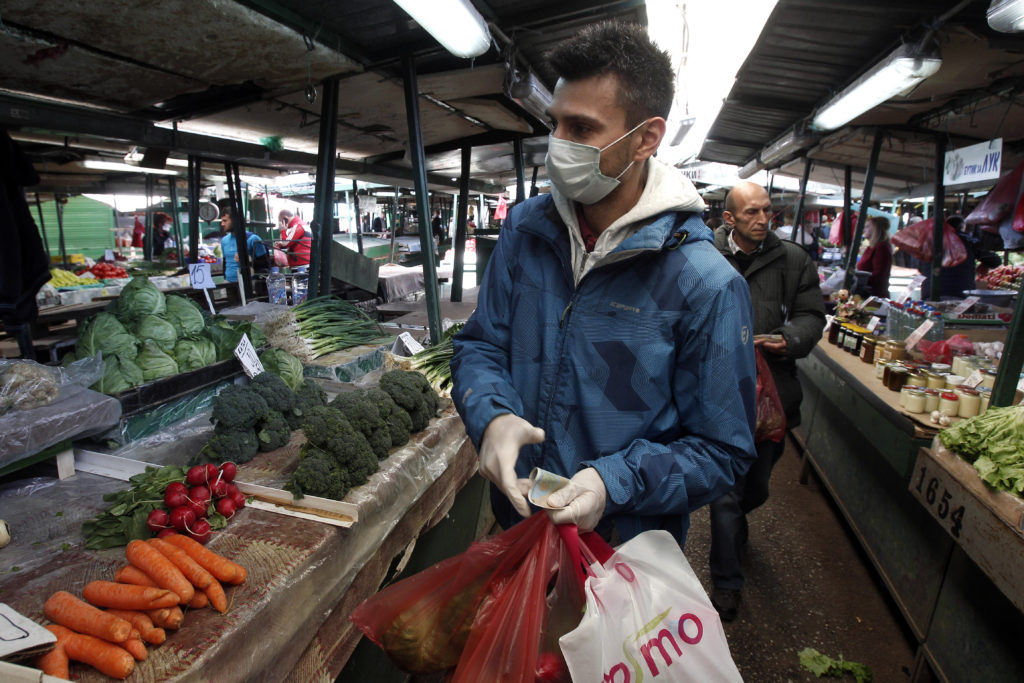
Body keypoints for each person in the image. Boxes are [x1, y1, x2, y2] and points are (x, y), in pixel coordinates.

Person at [450, 22, 756, 547]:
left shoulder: (706, 283)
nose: (558, 145)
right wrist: (492, 415)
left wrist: (610, 484)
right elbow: (481, 344)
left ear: (645, 138)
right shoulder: (525, 231)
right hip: (520, 524)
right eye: (555, 124)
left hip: (621, 550)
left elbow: (721, 450)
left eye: (582, 129)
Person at [707, 181, 826, 621]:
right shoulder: (705, 253)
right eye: (752, 213)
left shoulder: (792, 259)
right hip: (718, 389)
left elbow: (813, 314)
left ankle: (736, 525)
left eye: (767, 211)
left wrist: (789, 339)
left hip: (772, 393)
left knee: (755, 488)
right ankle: (726, 583)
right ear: (730, 219)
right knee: (727, 493)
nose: (762, 219)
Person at [922, 214, 1001, 299]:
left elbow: (921, 267)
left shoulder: (931, 243)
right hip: (959, 293)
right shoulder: (968, 241)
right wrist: (985, 264)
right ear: (962, 228)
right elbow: (995, 260)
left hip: (931, 293)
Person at [219, 209, 269, 283]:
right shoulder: (224, 240)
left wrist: (247, 260)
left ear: (234, 221)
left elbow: (265, 262)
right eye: (222, 221)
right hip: (229, 282)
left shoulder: (253, 239)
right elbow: (225, 262)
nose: (222, 224)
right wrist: (225, 278)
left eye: (225, 221)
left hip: (248, 283)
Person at [856, 215, 893, 298]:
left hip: (874, 296)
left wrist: (857, 280)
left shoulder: (882, 247)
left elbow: (879, 276)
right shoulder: (871, 247)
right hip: (866, 293)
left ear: (875, 229)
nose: (864, 230)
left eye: (867, 227)